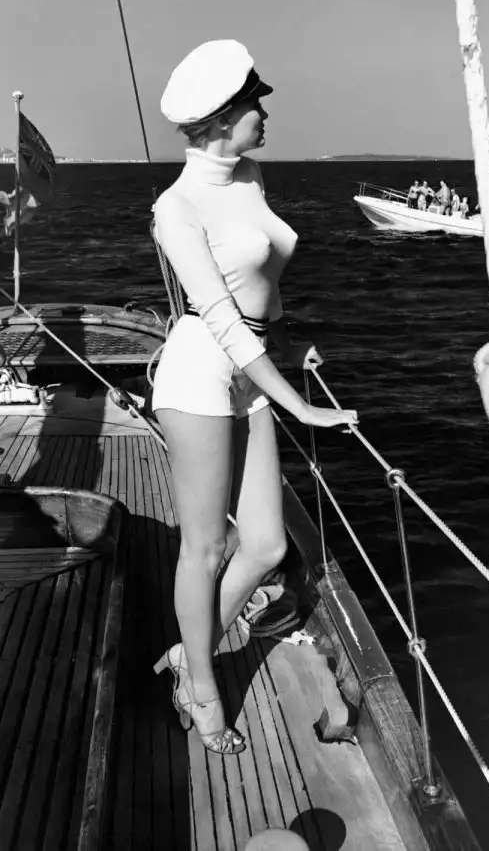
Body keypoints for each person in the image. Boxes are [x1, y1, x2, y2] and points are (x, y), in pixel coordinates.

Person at [151, 40, 358, 755]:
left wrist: (289, 341)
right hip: (201, 375)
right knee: (206, 547)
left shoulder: (249, 176)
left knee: (266, 543)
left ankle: (190, 656)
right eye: (253, 105)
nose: (265, 114)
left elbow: (263, 281)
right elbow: (220, 318)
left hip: (253, 368)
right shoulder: (175, 207)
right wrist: (298, 403)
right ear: (219, 120)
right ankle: (204, 691)